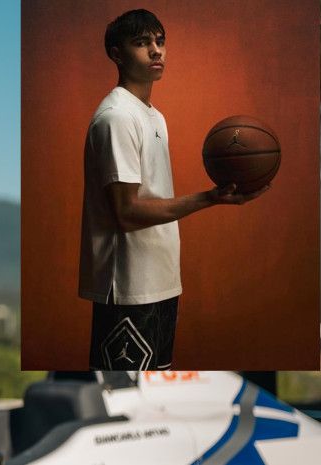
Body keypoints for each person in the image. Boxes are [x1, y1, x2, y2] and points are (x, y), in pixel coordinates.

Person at [79, 9, 267, 370]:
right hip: (130, 288)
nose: (156, 50)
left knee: (158, 384)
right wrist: (209, 198)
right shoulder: (116, 117)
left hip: (161, 280)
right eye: (141, 43)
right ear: (117, 54)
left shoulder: (154, 115)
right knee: (127, 389)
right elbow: (126, 213)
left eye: (160, 41)